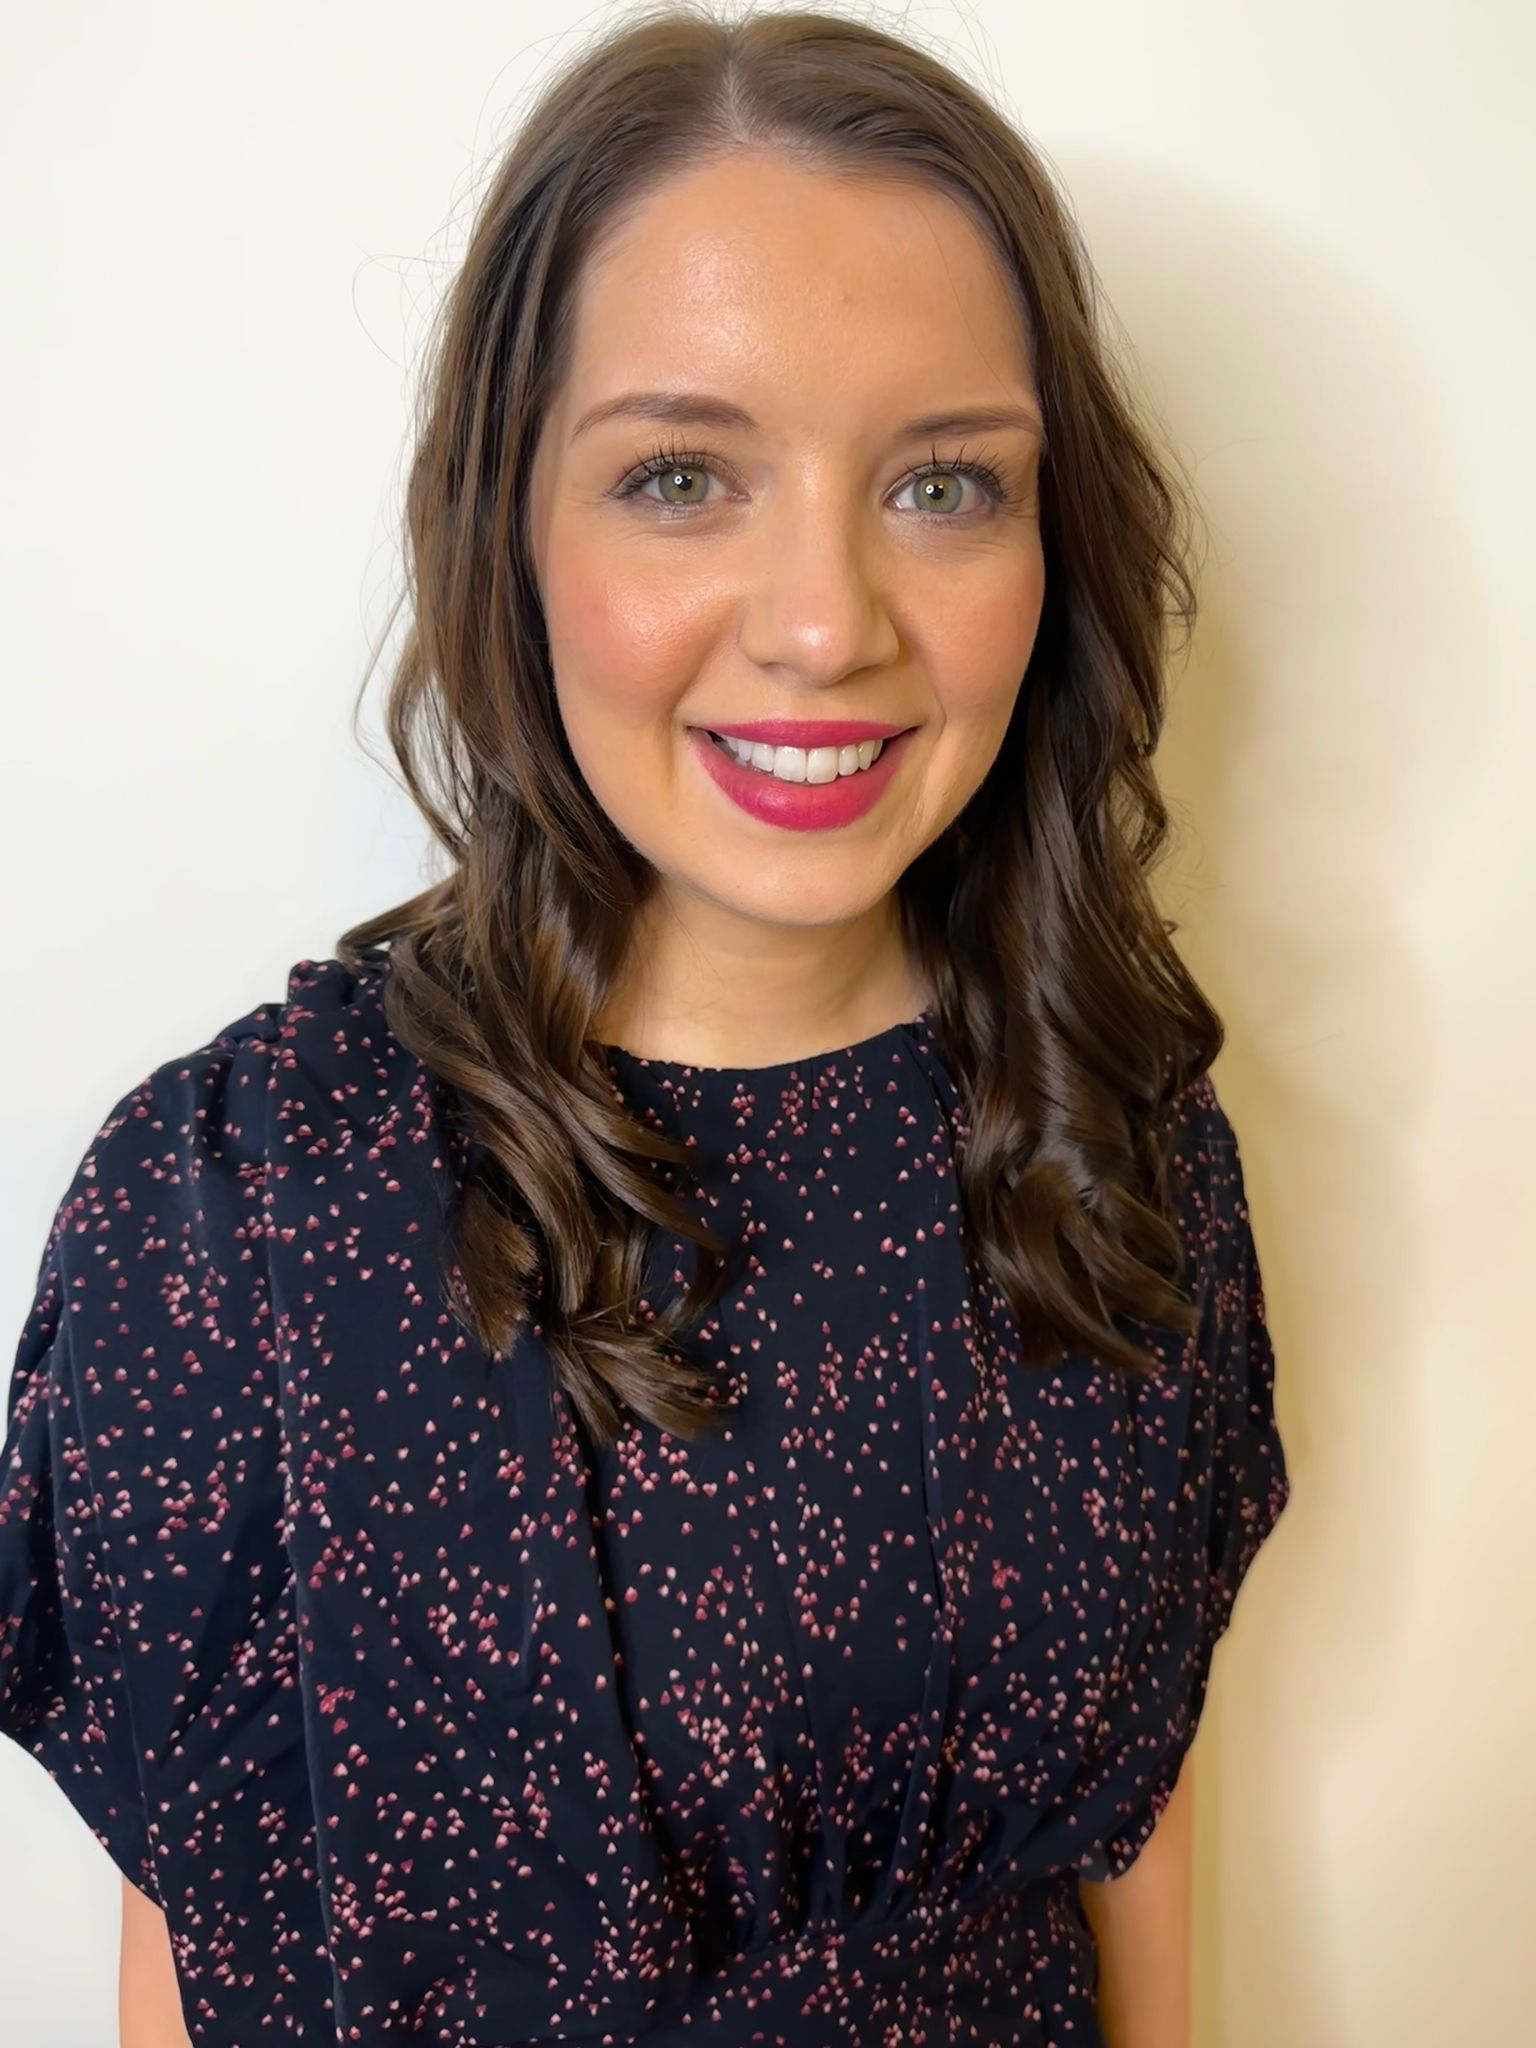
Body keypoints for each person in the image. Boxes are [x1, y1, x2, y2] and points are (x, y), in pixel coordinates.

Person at [0, 6, 1292, 2044]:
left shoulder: (1116, 1149)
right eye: (683, 474)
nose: (823, 618)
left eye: (945, 482)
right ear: (512, 519)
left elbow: (1133, 1854)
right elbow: (200, 1959)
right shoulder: (232, 1218)